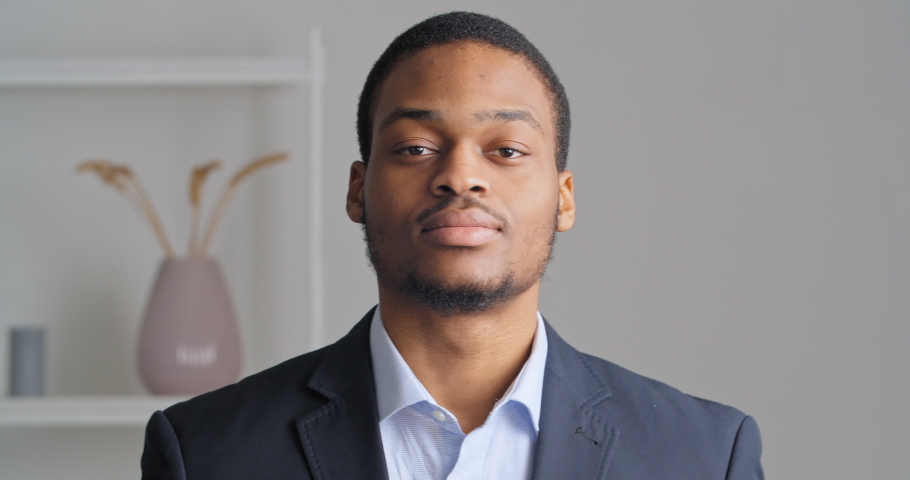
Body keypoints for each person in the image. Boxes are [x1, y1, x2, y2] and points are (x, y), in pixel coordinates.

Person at [141, 11, 763, 480]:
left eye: (508, 150)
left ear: (564, 198)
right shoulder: (206, 451)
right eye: (416, 147)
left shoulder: (705, 455)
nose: (461, 175)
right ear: (358, 190)